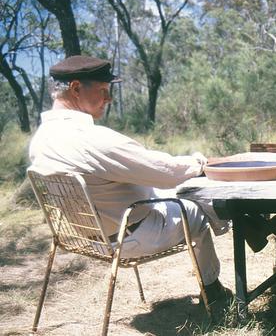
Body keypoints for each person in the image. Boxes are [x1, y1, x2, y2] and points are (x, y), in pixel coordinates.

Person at [28, 55, 230, 307]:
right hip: (128, 237)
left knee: (180, 189)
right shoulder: (90, 139)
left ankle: (245, 226)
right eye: (103, 90)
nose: (109, 98)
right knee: (195, 211)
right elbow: (164, 171)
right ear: (76, 88)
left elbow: (153, 173)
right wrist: (200, 163)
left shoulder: (41, 138)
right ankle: (213, 290)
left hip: (84, 236)